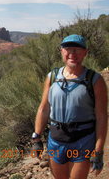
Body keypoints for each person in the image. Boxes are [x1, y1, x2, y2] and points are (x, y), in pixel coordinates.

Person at [32, 34, 108, 179]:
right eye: (68, 49)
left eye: (77, 49)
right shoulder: (52, 76)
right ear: (61, 51)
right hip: (56, 140)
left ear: (85, 53)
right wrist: (36, 138)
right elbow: (44, 108)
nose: (72, 53)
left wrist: (98, 150)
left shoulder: (95, 80)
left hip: (83, 140)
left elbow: (101, 116)